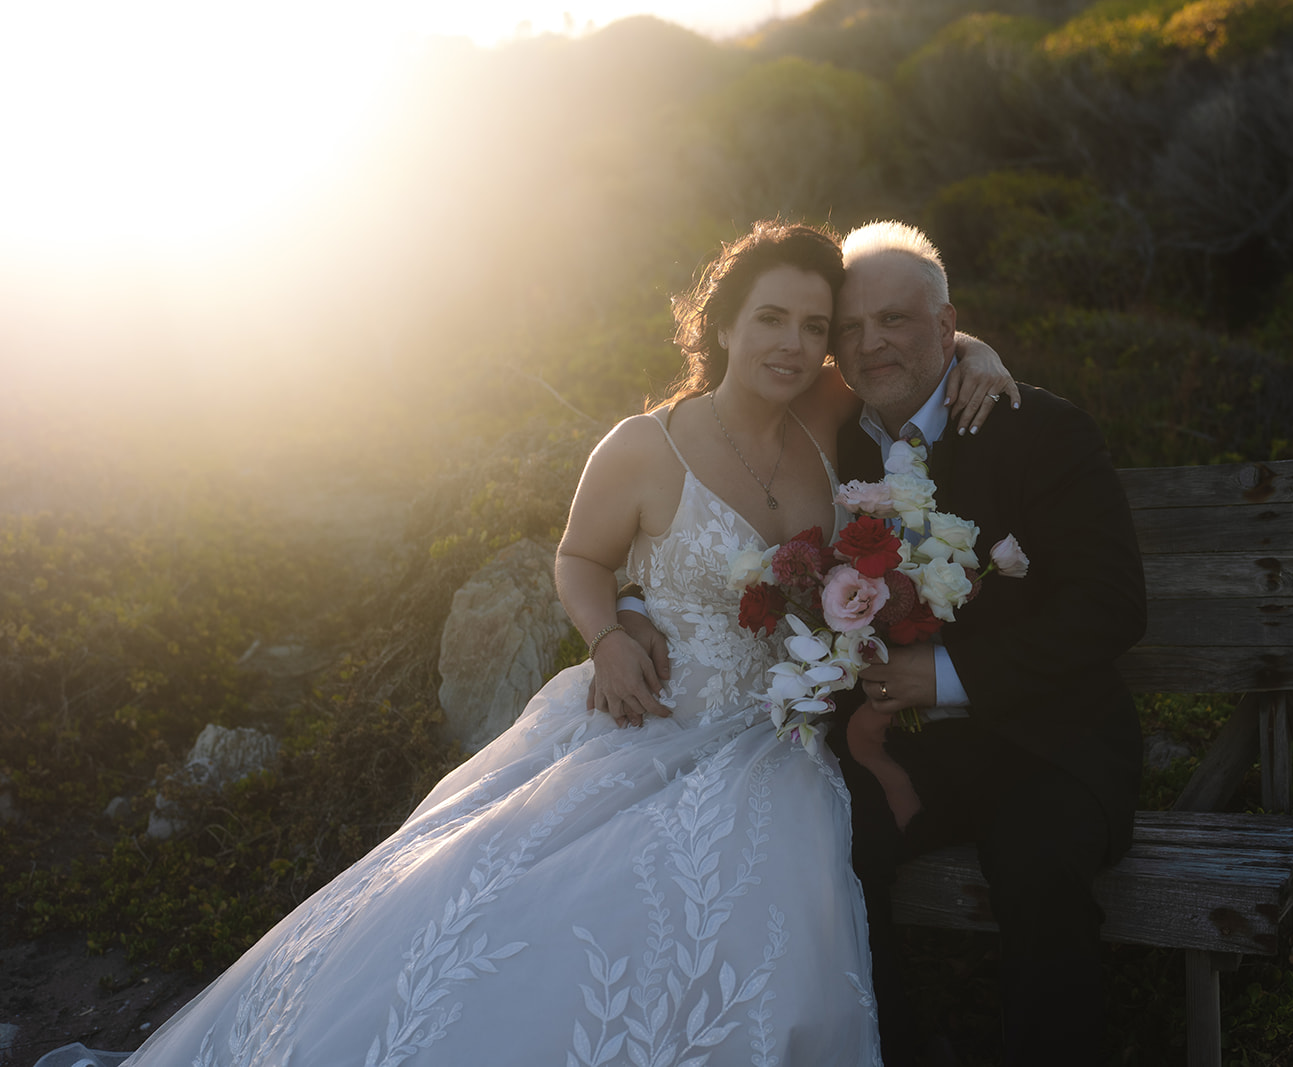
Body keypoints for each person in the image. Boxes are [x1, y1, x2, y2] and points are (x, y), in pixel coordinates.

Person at [32, 219, 1019, 1067]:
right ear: (721, 322)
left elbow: (902, 350)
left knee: (748, 899)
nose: (795, 345)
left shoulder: (821, 419)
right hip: (650, 717)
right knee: (510, 912)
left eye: (813, 327)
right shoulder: (645, 445)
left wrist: (969, 346)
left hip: (777, 743)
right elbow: (581, 558)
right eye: (771, 319)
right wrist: (606, 633)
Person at [828, 221, 1147, 1067]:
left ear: (945, 326)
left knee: (1040, 870)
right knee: (825, 850)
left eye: (895, 320)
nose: (872, 343)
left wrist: (946, 674)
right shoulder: (830, 441)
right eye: (851, 328)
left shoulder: (1041, 429)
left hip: (1052, 741)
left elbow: (1112, 605)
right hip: (908, 758)